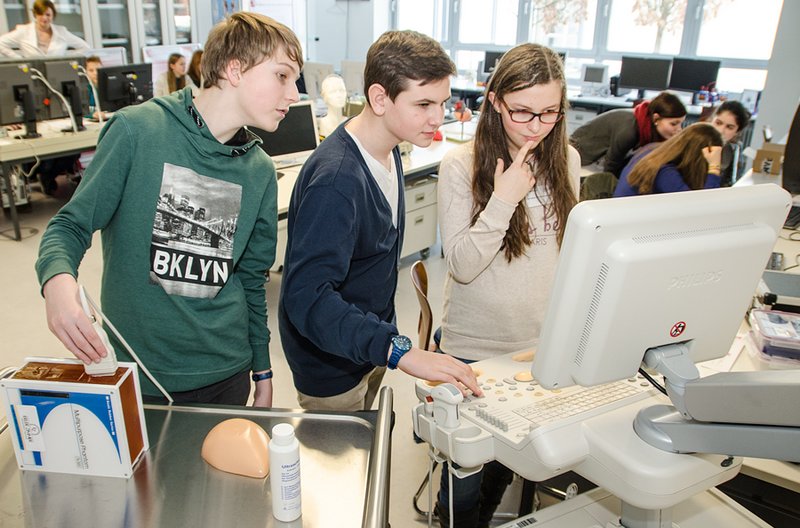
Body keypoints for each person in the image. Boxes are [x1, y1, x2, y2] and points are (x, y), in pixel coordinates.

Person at [35, 12, 304, 406]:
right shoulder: (137, 131)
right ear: (235, 69)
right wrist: (57, 283)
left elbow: (250, 280)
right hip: (141, 375)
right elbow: (69, 227)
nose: (294, 94)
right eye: (282, 76)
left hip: (226, 372)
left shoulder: (259, 169)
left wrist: (262, 370)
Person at [278, 30, 481, 413]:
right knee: (345, 468)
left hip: (367, 344)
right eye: (423, 104)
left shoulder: (389, 150)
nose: (437, 117)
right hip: (333, 365)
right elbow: (308, 298)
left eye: (442, 102)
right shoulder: (337, 180)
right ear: (379, 98)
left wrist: (383, 344)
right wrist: (397, 349)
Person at [436, 42, 580, 528]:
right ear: (494, 101)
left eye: (549, 113)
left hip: (538, 345)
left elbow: (567, 255)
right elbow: (461, 266)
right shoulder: (460, 165)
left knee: (504, 464)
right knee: (464, 480)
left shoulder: (568, 161)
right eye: (522, 112)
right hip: (474, 348)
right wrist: (503, 201)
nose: (536, 126)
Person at [569, 91, 686, 176]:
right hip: (583, 158)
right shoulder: (629, 130)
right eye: (674, 124)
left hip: (599, 158)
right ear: (656, 118)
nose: (679, 129)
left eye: (681, 124)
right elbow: (610, 166)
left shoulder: (644, 122)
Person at [614, 122, 723, 196]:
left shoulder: (653, 150)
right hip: (629, 226)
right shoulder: (663, 171)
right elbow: (702, 208)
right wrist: (713, 167)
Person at [0, 0, 90, 58]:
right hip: (33, 75)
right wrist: (19, 59)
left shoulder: (61, 32)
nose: (44, 18)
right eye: (40, 14)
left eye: (48, 15)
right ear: (35, 14)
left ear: (53, 15)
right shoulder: (24, 31)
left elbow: (85, 47)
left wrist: (65, 58)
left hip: (57, 74)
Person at [709, 100, 751, 186]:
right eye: (718, 123)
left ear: (737, 132)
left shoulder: (733, 149)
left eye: (729, 127)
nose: (720, 130)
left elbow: (732, 183)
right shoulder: (695, 141)